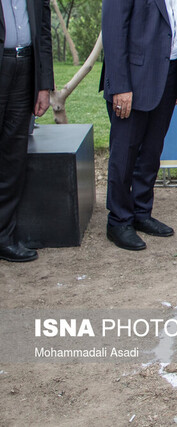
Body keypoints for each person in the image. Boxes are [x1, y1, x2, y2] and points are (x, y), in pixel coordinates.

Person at [100, 0, 177, 251]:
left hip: (168, 75)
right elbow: (113, 30)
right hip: (133, 80)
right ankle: (118, 221)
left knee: (151, 152)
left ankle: (141, 212)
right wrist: (119, 85)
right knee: (124, 153)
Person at [0, 0, 53, 262]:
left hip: (25, 69)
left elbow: (43, 31)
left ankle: (4, 237)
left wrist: (44, 86)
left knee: (13, 158)